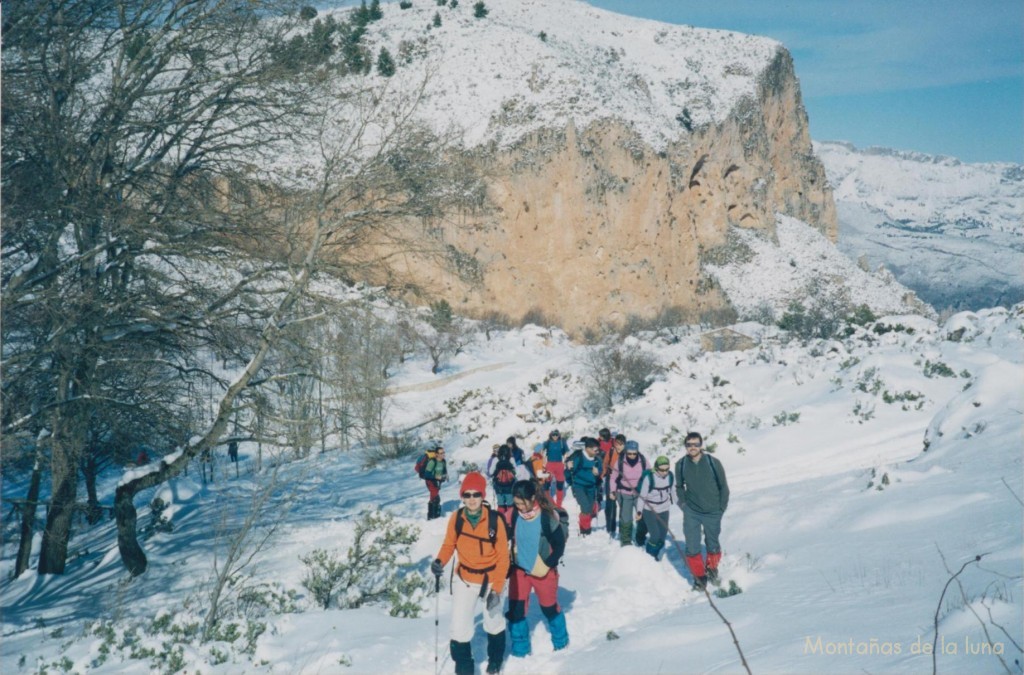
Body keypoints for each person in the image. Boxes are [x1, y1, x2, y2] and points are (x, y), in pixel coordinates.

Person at [431, 472, 511, 675]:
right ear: (462, 496)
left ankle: (494, 661)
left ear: (483, 495)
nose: (472, 499)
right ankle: (464, 669)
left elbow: (503, 557)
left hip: (492, 580)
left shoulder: (495, 521)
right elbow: (449, 544)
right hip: (465, 579)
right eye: (467, 495)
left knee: (493, 623)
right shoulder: (457, 518)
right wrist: (440, 561)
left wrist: (497, 589)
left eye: (476, 494)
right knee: (459, 629)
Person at [507, 480, 569, 657]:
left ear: (532, 497)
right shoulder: (513, 514)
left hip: (543, 572)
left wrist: (547, 565)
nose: (518, 506)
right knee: (516, 611)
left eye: (521, 502)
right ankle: (520, 650)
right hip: (519, 570)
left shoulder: (546, 517)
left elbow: (559, 546)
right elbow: (500, 529)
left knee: (549, 608)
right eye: (516, 502)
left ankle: (561, 641)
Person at [674, 432, 730, 589]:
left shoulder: (713, 462)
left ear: (701, 445)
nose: (693, 447)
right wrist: (684, 505)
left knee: (712, 544)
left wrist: (721, 508)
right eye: (689, 444)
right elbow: (679, 487)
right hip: (692, 511)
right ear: (686, 446)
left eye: (696, 444)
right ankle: (699, 579)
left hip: (713, 511)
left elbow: (723, 486)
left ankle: (712, 570)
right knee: (692, 547)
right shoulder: (681, 464)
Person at [609, 440, 647, 546]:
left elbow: (649, 474)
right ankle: (626, 541)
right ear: (626, 451)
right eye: (629, 453)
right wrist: (612, 491)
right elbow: (613, 478)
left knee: (643, 517)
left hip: (639, 493)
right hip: (624, 493)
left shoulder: (643, 460)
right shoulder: (620, 461)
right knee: (626, 518)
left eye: (634, 453)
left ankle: (640, 538)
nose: (632, 455)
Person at [636, 455, 674, 560]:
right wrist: (639, 511)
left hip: (664, 509)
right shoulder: (649, 478)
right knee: (655, 536)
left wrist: (683, 506)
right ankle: (650, 557)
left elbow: (674, 493)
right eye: (662, 470)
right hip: (650, 509)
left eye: (667, 469)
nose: (664, 472)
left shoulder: (670, 476)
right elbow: (642, 496)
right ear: (656, 468)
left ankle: (654, 553)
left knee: (662, 537)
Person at [568, 437, 602, 536]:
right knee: (585, 506)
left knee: (590, 508)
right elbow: (568, 471)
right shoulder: (578, 457)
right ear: (587, 448)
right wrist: (568, 467)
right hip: (579, 485)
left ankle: (585, 525)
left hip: (591, 486)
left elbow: (600, 469)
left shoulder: (596, 459)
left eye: (597, 449)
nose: (597, 451)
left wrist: (597, 473)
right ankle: (584, 528)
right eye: (595, 449)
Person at [489, 445, 519, 525]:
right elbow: (516, 472)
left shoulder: (496, 459)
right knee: (510, 504)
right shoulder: (511, 459)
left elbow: (491, 472)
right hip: (510, 486)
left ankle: (501, 521)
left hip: (498, 487)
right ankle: (510, 521)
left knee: (501, 504)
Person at [598, 430, 619, 537]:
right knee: (611, 502)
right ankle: (610, 526)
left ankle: (612, 526)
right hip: (608, 474)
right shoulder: (609, 444)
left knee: (614, 503)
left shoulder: (612, 445)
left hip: (615, 475)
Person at [542, 429, 570, 506]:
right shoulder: (547, 442)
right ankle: (548, 501)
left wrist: (566, 459)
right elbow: (540, 449)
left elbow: (567, 452)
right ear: (551, 435)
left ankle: (559, 504)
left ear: (559, 435)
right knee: (547, 483)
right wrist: (542, 459)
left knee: (560, 484)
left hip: (559, 465)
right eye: (553, 435)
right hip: (549, 465)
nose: (555, 436)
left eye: (556, 435)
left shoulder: (562, 442)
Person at [422, 446, 448, 520]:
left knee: (435, 498)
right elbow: (426, 474)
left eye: (443, 452)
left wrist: (444, 476)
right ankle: (432, 516)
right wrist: (437, 477)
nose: (443, 454)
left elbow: (444, 471)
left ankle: (433, 515)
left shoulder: (443, 461)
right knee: (435, 498)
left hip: (437, 482)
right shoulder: (432, 462)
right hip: (430, 481)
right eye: (441, 453)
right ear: (436, 454)